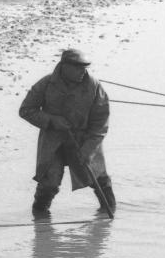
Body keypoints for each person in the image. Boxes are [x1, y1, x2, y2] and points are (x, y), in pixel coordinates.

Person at [18, 47, 114, 216]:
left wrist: (89, 150)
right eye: (77, 67)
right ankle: (40, 219)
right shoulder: (46, 84)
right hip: (53, 140)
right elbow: (26, 110)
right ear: (64, 66)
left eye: (84, 67)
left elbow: (101, 123)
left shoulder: (94, 87)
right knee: (49, 182)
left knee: (98, 179)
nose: (82, 71)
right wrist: (52, 120)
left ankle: (107, 214)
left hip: (85, 140)